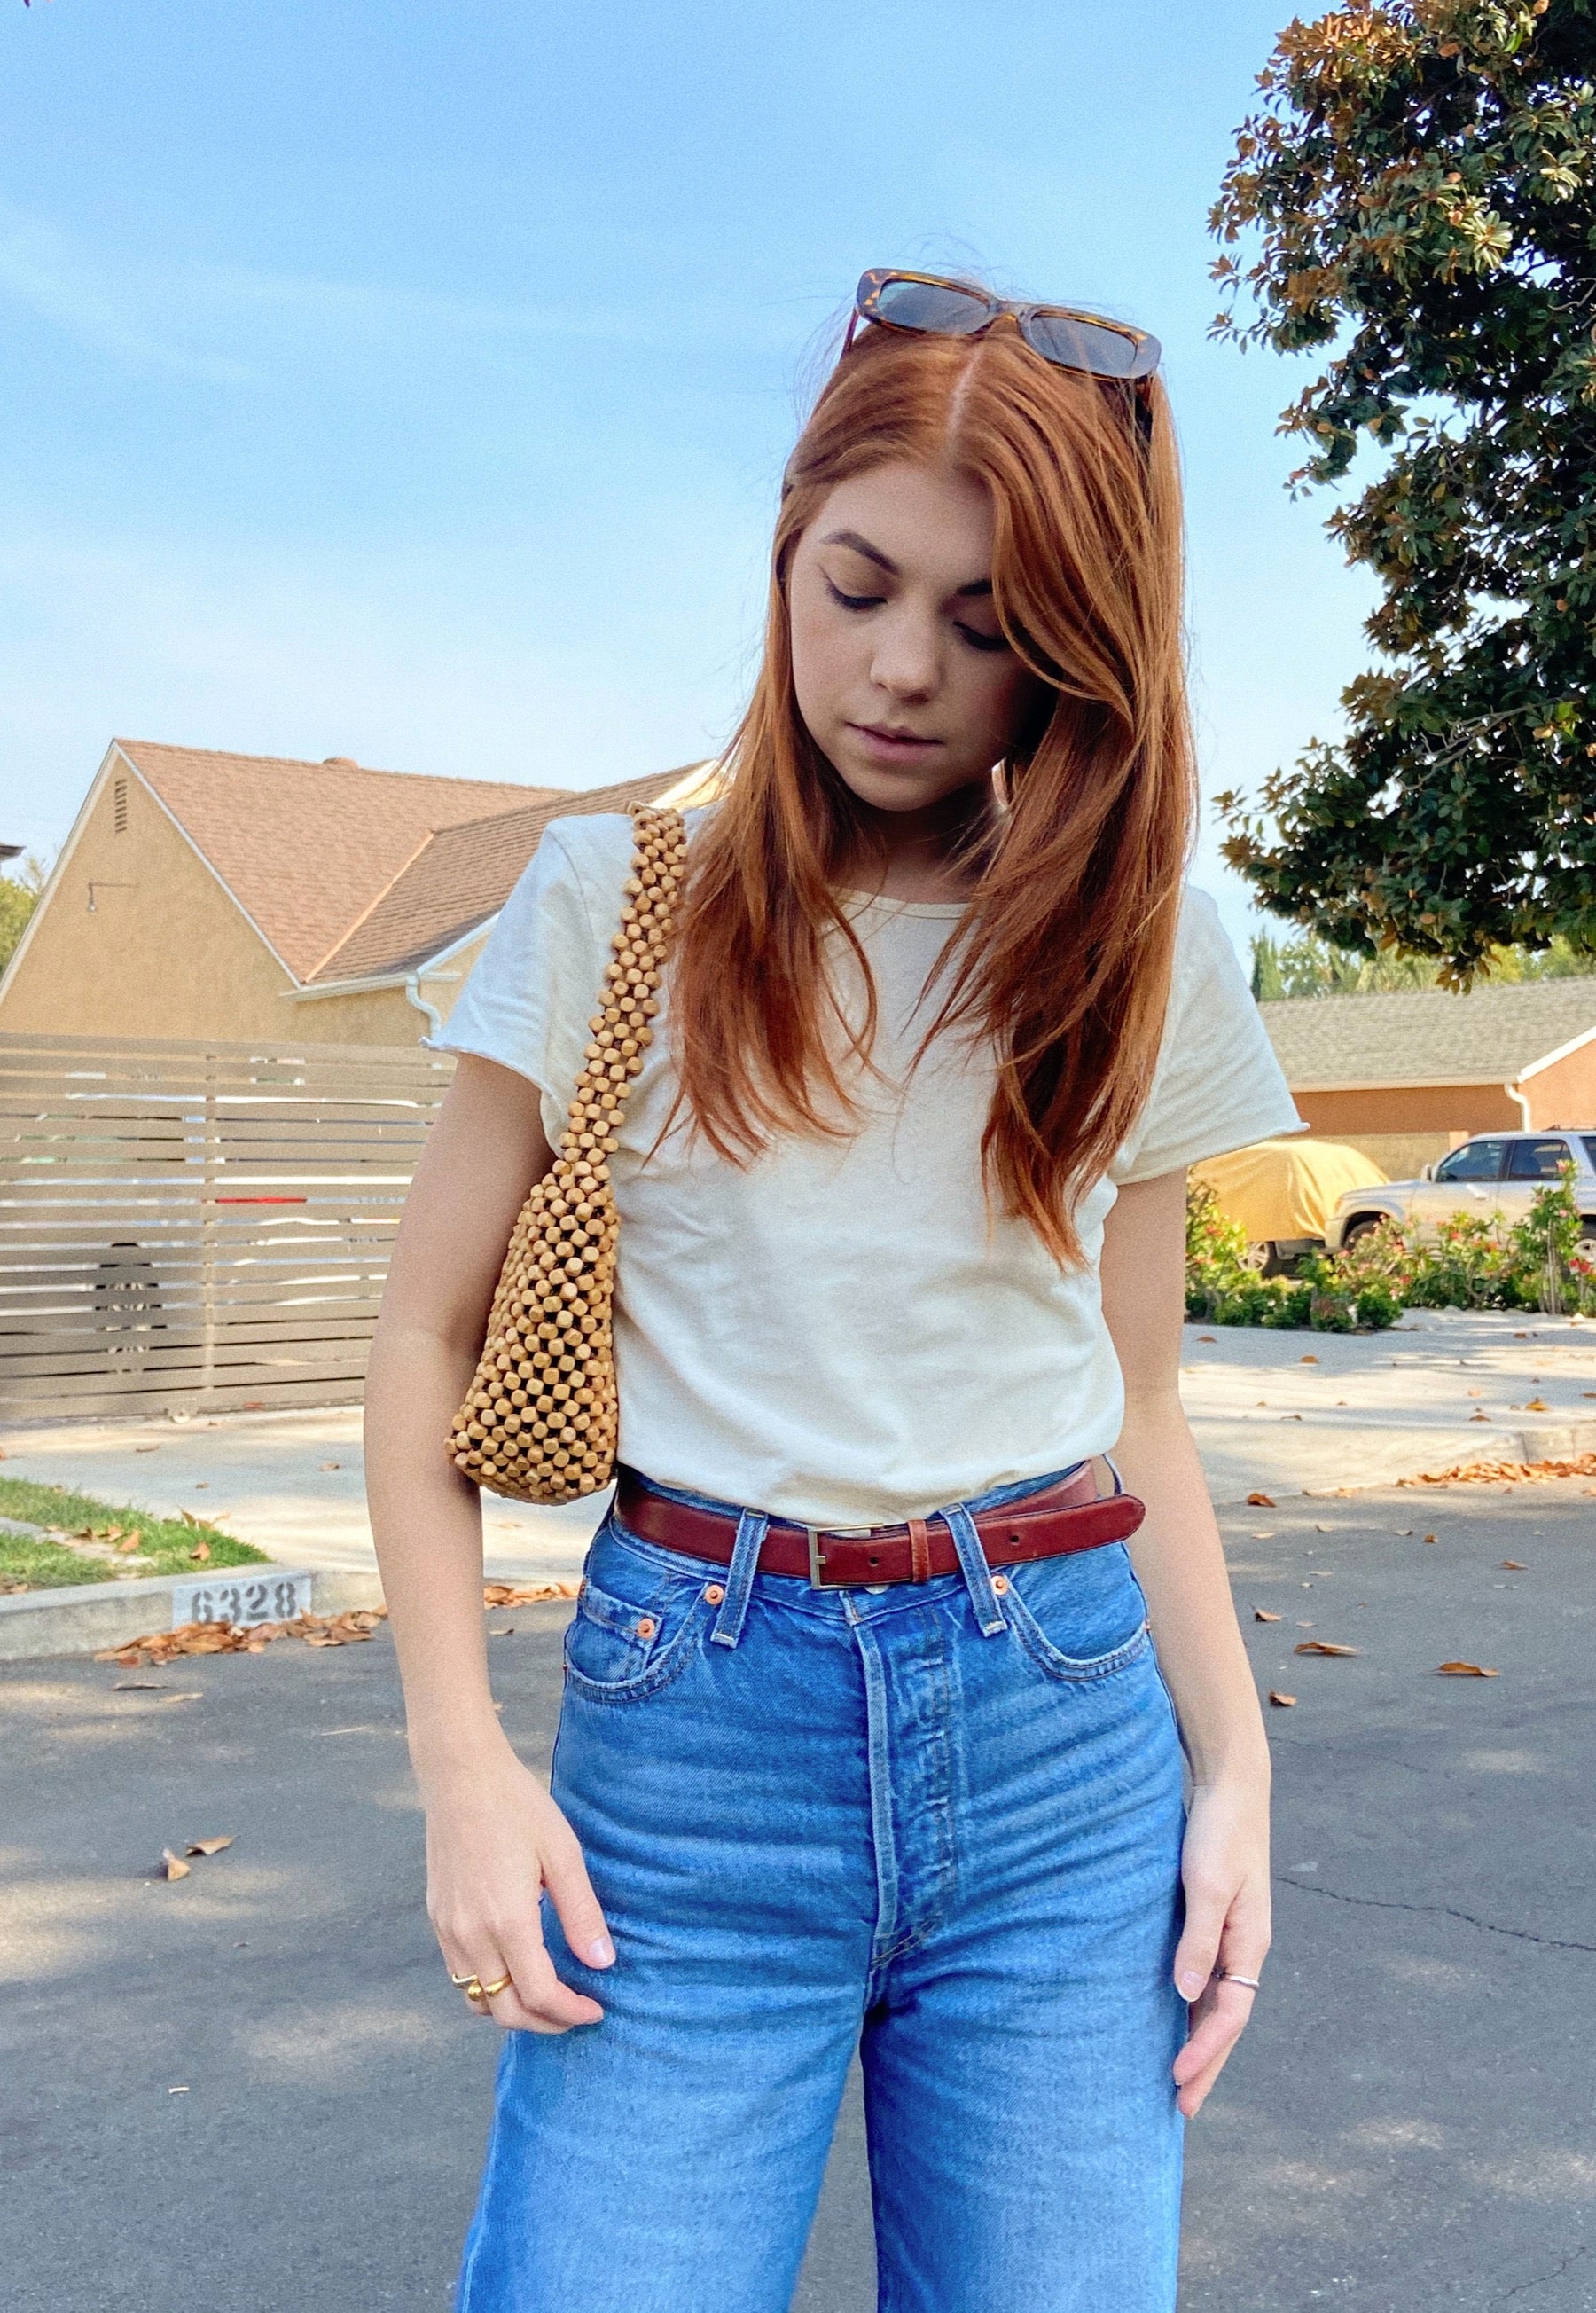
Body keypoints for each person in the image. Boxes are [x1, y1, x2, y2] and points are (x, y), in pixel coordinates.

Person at [364, 268, 1300, 2313]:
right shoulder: (616, 901)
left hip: (1062, 1738)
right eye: (857, 585)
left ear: (1083, 652)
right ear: (788, 544)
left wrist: (1234, 1771)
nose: (899, 669)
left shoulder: (1145, 954)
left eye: (988, 623)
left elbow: (1139, 1401)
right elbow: (425, 1336)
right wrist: (461, 1767)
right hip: (693, 1745)